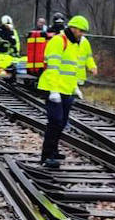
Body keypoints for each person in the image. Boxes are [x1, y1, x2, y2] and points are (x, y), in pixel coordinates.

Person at [37, 15, 95, 168]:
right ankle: (46, 156)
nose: (82, 34)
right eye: (81, 31)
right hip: (52, 87)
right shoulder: (58, 41)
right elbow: (53, 68)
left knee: (62, 122)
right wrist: (54, 90)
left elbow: (73, 68)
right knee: (55, 121)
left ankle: (54, 151)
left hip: (67, 88)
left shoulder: (75, 44)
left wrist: (76, 86)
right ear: (73, 28)